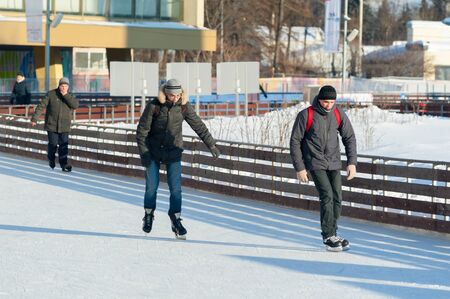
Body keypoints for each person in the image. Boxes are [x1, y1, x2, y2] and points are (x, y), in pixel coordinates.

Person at [136, 79, 221, 239]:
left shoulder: (183, 106)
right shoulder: (154, 106)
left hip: (173, 152)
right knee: (151, 187)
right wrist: (145, 155)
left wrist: (211, 145)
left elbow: (198, 126)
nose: (175, 98)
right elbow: (141, 132)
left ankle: (175, 218)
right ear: (165, 93)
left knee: (176, 189)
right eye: (171, 95)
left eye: (177, 95)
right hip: (153, 153)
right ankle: (148, 214)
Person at [289, 85, 357, 251]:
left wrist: (352, 162)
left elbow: (349, 137)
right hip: (315, 161)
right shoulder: (306, 115)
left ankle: (333, 233)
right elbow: (295, 141)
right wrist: (300, 167)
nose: (328, 105)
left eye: (332, 102)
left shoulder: (337, 113)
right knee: (326, 195)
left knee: (337, 197)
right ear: (319, 99)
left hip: (333, 161)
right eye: (326, 102)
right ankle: (328, 235)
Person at [31, 77, 79, 172]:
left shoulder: (70, 96)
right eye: (62, 86)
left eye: (66, 86)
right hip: (52, 125)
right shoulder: (51, 94)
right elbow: (41, 106)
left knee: (63, 146)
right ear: (59, 85)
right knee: (53, 144)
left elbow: (75, 105)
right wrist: (34, 118)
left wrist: (66, 96)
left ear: (68, 87)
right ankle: (51, 159)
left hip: (64, 126)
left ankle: (64, 164)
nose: (64, 88)